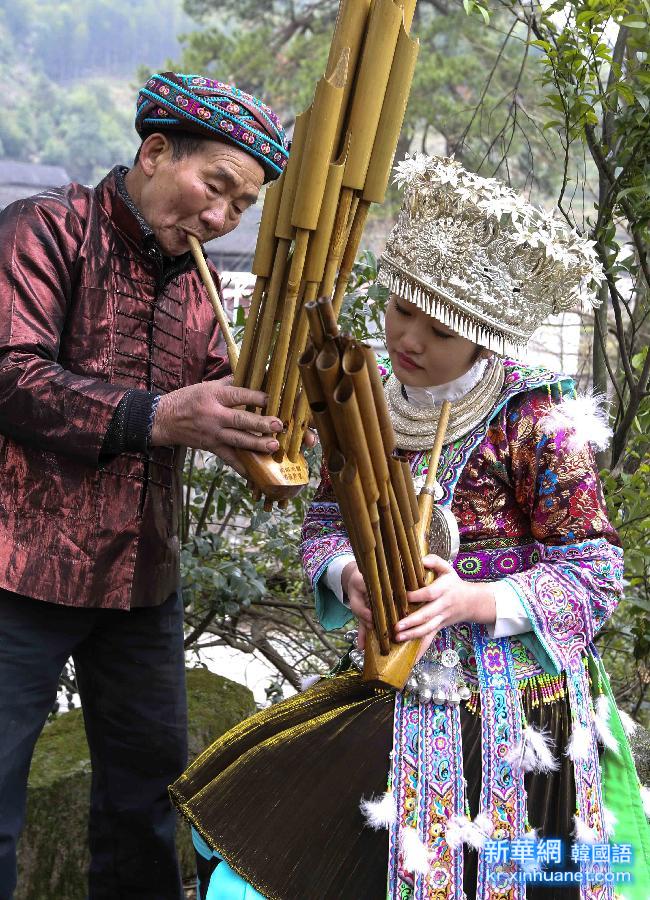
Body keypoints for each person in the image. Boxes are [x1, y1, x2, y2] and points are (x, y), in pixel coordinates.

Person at [172, 155, 650, 900]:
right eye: (400, 311)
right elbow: (329, 519)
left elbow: (596, 572)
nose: (407, 339)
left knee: (506, 879)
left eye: (438, 331)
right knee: (254, 847)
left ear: (483, 341)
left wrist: (472, 601)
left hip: (519, 712)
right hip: (394, 680)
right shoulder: (363, 399)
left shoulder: (536, 422)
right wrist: (348, 573)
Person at [0, 72, 290, 900]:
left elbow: (218, 391)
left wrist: (251, 430)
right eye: (216, 189)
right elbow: (12, 377)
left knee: (148, 802)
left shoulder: (199, 284)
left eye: (241, 208)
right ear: (156, 152)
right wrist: (161, 417)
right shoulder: (44, 230)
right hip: (20, 571)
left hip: (142, 581)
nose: (221, 218)